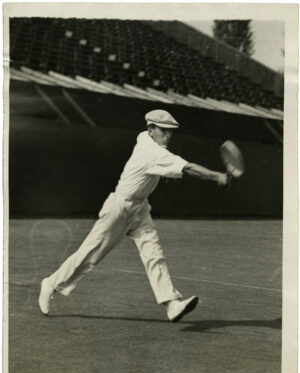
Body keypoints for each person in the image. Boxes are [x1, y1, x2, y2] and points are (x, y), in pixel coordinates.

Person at [39, 110, 228, 322]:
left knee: (154, 253)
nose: (167, 136)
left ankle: (171, 304)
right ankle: (50, 283)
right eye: (163, 130)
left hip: (140, 208)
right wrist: (217, 176)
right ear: (151, 129)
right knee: (90, 254)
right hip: (119, 207)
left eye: (171, 131)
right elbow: (189, 168)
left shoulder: (144, 137)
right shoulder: (153, 152)